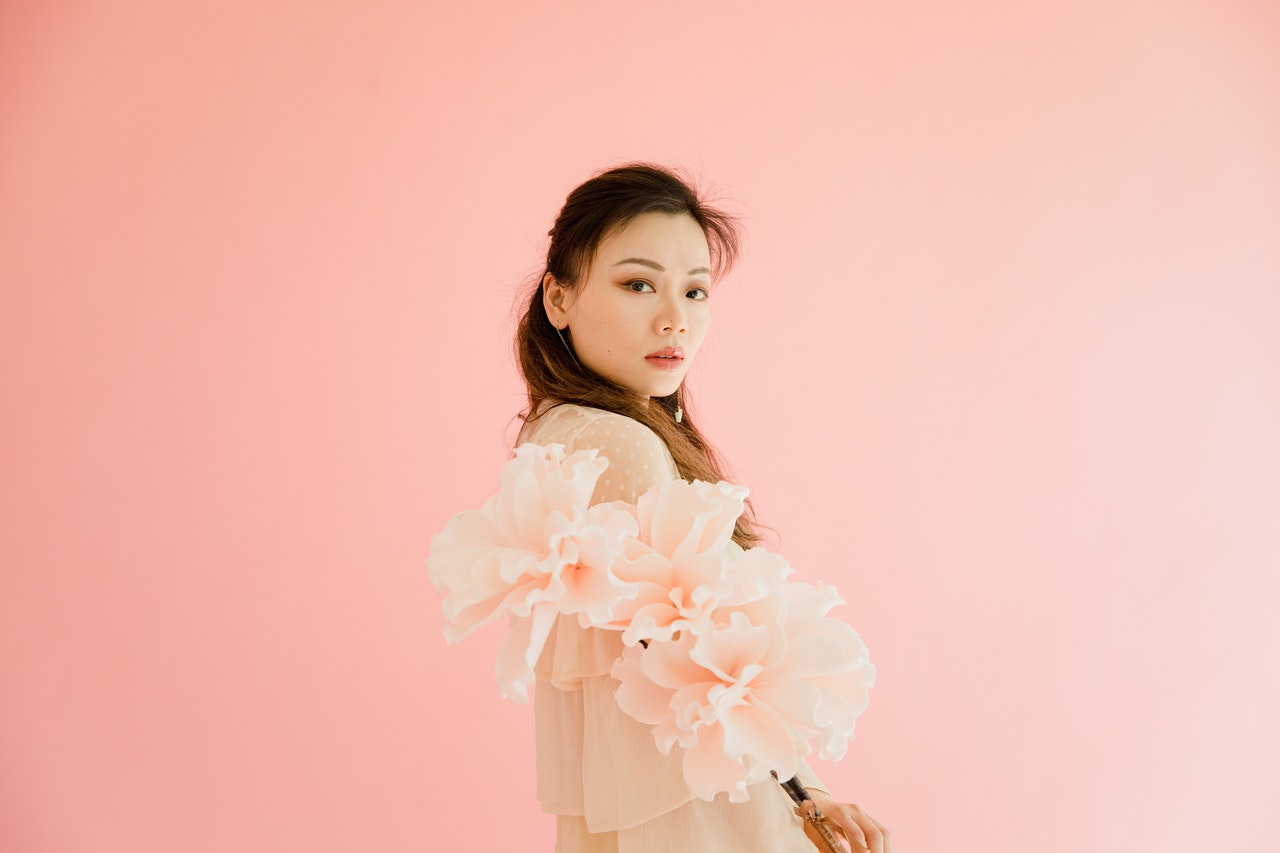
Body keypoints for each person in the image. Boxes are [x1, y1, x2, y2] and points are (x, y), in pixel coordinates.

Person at [512, 164, 891, 853]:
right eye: (638, 284)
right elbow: (706, 676)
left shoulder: (555, 430)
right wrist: (804, 795)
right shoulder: (619, 444)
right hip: (704, 816)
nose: (674, 319)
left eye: (694, 291)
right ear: (558, 297)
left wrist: (808, 790)